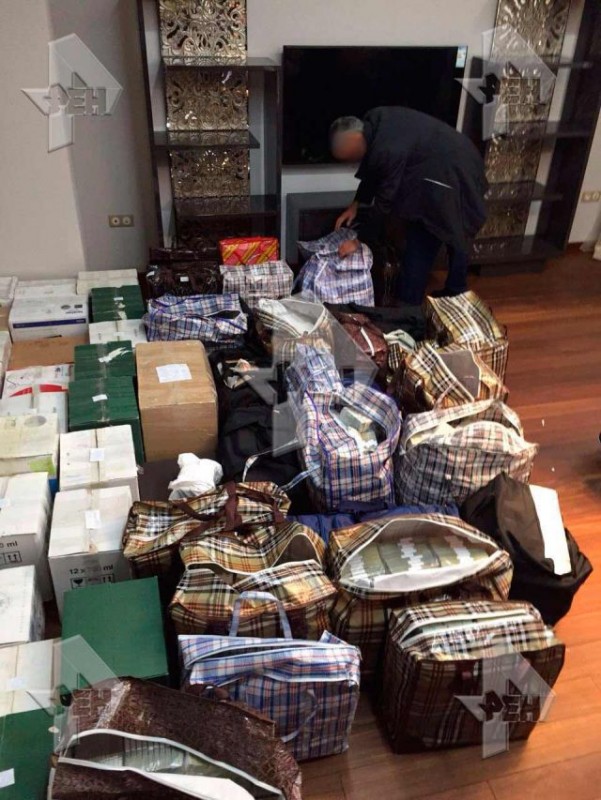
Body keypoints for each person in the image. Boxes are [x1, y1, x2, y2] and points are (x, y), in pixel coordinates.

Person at [331, 107, 488, 304]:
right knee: (451, 229)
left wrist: (358, 241)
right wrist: (356, 204)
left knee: (428, 234)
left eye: (349, 158)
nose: (351, 163)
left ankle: (414, 303)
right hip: (456, 159)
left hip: (452, 171)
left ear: (355, 138)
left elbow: (384, 201)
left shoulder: (388, 148)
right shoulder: (375, 122)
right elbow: (373, 168)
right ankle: (452, 291)